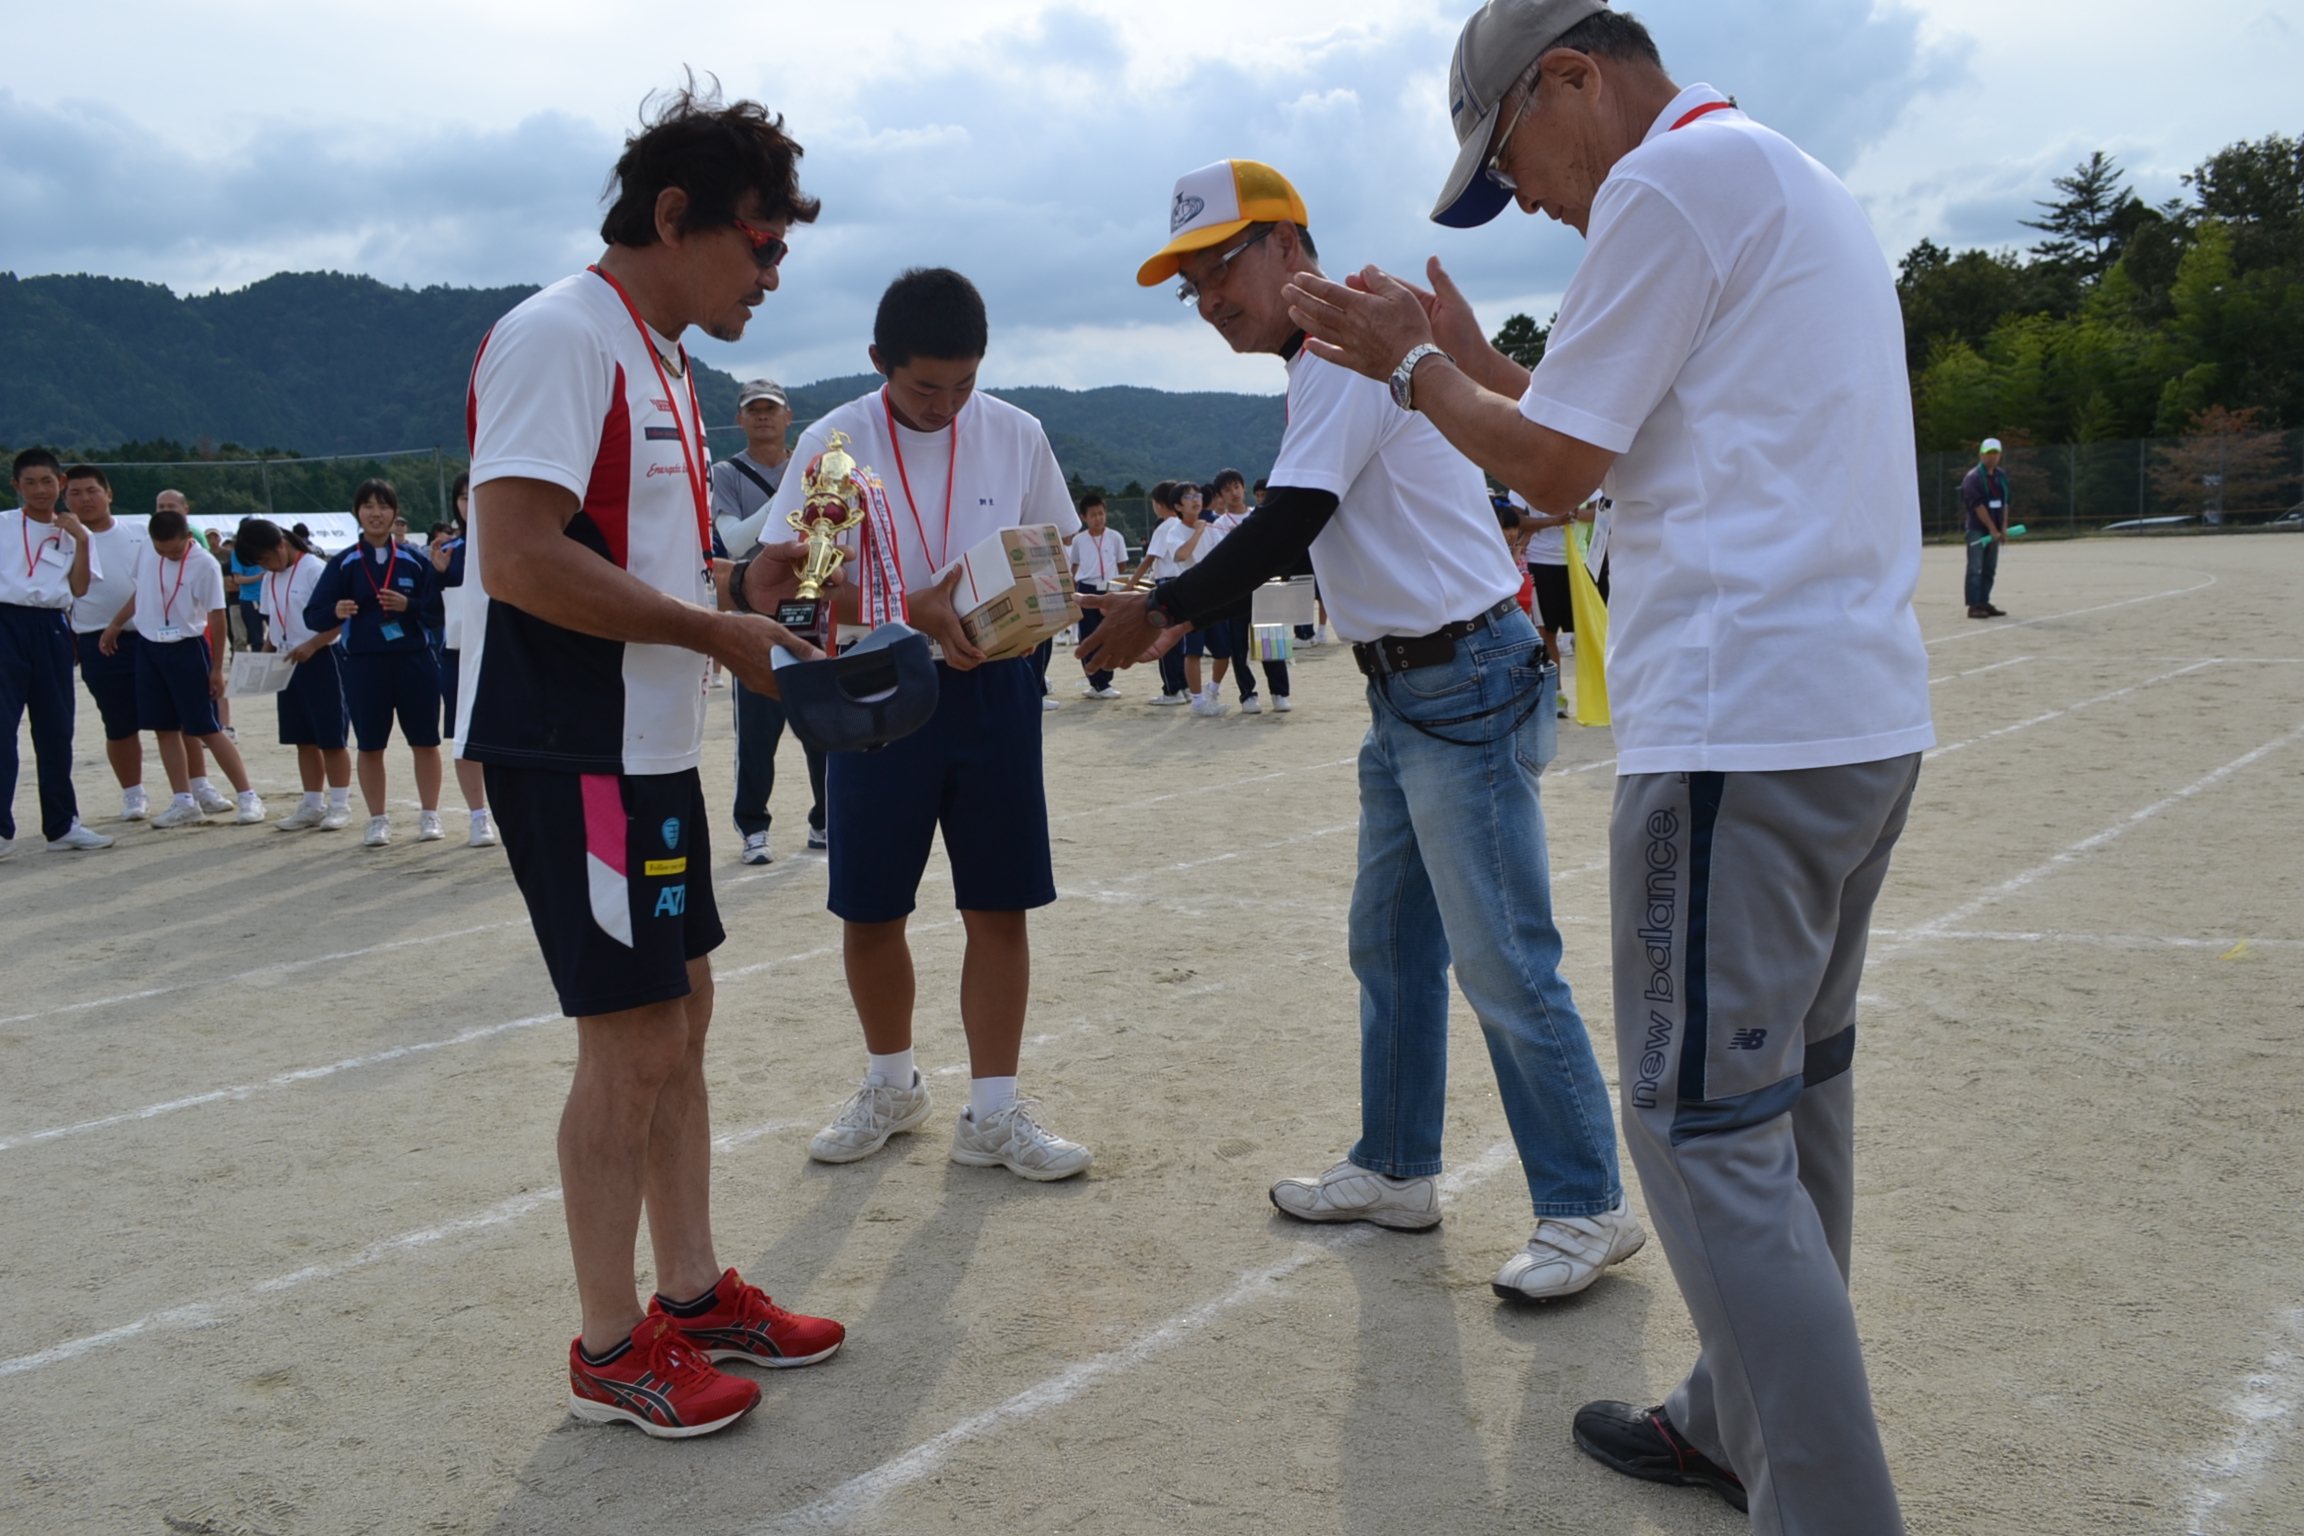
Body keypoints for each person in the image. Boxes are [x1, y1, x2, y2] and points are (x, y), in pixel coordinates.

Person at [1284, 4, 1936, 1527]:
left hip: (1737, 733)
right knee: (1788, 1106)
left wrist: (1407, 368)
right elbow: (1618, 423)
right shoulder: (1778, 172)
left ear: (1570, 77)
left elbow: (1558, 474)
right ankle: (1726, 1417)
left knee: (1701, 1134)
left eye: (1507, 159)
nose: (1523, 199)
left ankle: (1825, 1503)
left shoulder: (1664, 183)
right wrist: (1472, 360)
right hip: (1852, 721)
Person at [1083, 157, 1637, 1302]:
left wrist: (1164, 606)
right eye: (1190, 284)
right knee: (1390, 945)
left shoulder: (1346, 350)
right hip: (1414, 690)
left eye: (1220, 265)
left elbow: (1292, 520)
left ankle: (1587, 1202)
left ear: (1291, 245)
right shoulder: (1327, 362)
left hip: (1461, 681)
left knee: (1503, 958)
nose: (1207, 298)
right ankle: (1395, 1168)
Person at [462, 83, 843, 1439]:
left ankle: (690, 1293)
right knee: (629, 1042)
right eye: (761, 242)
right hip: (577, 745)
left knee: (681, 1014)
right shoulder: (561, 334)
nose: (772, 274)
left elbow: (638, 560)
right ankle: (611, 1346)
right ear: (674, 217)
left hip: (648, 746)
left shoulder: (663, 358)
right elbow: (518, 557)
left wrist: (746, 585)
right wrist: (711, 628)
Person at [768, 266, 1093, 1183]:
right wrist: (906, 606)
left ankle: (994, 1110)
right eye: (924, 388)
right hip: (875, 688)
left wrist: (1033, 609)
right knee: (872, 906)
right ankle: (890, 1084)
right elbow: (796, 587)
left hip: (993, 687)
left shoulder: (1017, 433)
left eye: (964, 385)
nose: (946, 406)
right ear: (880, 361)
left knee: (999, 901)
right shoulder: (834, 444)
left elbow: (1054, 553)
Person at [709, 377, 827, 862]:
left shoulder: (818, 468)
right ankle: (753, 827)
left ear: (787, 416)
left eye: (771, 408)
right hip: (754, 614)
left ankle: (825, 820)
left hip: (813, 610)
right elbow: (736, 541)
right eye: (754, 408)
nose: (763, 415)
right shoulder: (726, 473)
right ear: (740, 418)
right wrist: (790, 494)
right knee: (757, 733)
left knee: (823, 723)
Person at [102, 504, 265, 828]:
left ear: (188, 536)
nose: (169, 556)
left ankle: (248, 796)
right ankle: (183, 801)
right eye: (162, 551)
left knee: (206, 727)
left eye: (175, 551)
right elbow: (141, 591)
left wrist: (216, 668)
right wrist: (116, 624)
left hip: (187, 647)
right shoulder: (147, 551)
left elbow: (217, 616)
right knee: (164, 728)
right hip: (150, 647)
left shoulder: (204, 563)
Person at [307, 480, 446, 847]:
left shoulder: (415, 559)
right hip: (364, 665)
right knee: (370, 746)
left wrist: (409, 605)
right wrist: (336, 611)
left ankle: (430, 815)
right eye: (368, 505)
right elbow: (314, 614)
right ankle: (378, 820)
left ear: (395, 513)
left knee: (425, 741)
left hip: (415, 661)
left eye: (383, 506)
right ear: (357, 513)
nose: (376, 513)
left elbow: (436, 612)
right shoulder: (344, 563)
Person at [1, 448, 110, 855]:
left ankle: (63, 826)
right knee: (2, 729)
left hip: (51, 626)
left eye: (47, 482)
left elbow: (79, 588)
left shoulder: (74, 532)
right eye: (29, 483)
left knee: (56, 729)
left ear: (60, 483)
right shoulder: (2, 524)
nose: (40, 490)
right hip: (5, 623)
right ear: (16, 485)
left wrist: (81, 539)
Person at [239, 518, 355, 832]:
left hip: (321, 658)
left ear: (281, 545)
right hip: (286, 661)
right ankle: (312, 804)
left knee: (330, 738)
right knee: (302, 738)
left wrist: (313, 644)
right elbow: (274, 624)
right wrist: (263, 657)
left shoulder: (315, 570)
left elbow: (339, 619)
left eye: (266, 559)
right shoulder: (270, 577)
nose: (266, 567)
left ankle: (340, 804)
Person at [62, 466, 155, 821]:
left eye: (92, 491)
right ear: (65, 499)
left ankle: (194, 787)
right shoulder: (62, 539)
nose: (84, 499)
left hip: (149, 636)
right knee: (118, 723)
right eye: (75, 493)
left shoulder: (140, 532)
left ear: (109, 494)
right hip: (97, 642)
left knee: (175, 717)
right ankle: (133, 794)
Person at [428, 479, 496, 847]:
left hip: (502, 654)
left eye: (476, 494)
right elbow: (426, 611)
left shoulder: (508, 542)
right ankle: (478, 816)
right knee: (465, 738)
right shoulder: (449, 552)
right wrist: (437, 573)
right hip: (457, 656)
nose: (471, 503)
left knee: (508, 735)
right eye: (463, 497)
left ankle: (510, 812)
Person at [1201, 467, 1291, 712]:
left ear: (1243, 488)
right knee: (1238, 646)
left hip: (1265, 587)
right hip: (1236, 591)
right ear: (1220, 496)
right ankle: (1248, 695)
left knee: (1271, 641)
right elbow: (1218, 560)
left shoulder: (1259, 515)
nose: (1234, 493)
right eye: (1227, 490)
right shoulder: (1218, 525)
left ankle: (1280, 692)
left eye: (1236, 487)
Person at [1139, 480, 1213, 708]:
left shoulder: (1166, 527)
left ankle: (1172, 690)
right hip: (1185, 584)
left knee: (1167, 639)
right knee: (1182, 642)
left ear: (1159, 503)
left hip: (1168, 586)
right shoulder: (1183, 526)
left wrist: (1130, 585)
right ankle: (1184, 686)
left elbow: (1149, 559)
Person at [1067, 493, 1127, 698]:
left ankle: (1106, 680)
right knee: (1089, 635)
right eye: (1093, 515)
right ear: (1084, 517)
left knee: (1109, 634)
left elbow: (1122, 564)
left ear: (1106, 513)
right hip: (1086, 589)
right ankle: (1096, 682)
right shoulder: (1079, 540)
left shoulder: (1115, 537)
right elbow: (1074, 565)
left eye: (1101, 513)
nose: (1098, 518)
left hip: (1109, 590)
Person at [1961, 437, 2010, 619]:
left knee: (1990, 568)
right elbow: (1978, 505)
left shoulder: (2001, 476)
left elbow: (2005, 502)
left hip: (1995, 529)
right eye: (1988, 453)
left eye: (1995, 453)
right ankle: (1973, 606)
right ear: (1981, 455)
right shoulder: (1973, 478)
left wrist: (2003, 527)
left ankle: (1984, 602)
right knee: (1975, 568)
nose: (1992, 457)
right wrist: (1991, 528)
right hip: (1977, 529)